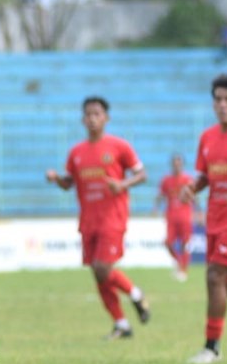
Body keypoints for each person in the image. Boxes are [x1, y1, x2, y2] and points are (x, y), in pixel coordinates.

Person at [45, 96, 150, 340]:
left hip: (113, 217)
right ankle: (121, 324)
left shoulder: (119, 146)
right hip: (88, 220)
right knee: (97, 272)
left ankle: (135, 293)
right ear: (83, 119)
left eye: (97, 114)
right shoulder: (76, 152)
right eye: (88, 115)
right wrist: (56, 178)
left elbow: (142, 174)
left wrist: (122, 184)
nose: (92, 119)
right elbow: (68, 183)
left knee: (103, 268)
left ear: (106, 118)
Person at [181, 73, 227, 364]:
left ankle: (212, 347)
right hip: (215, 219)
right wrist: (193, 186)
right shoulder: (208, 137)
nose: (223, 105)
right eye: (218, 99)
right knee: (219, 283)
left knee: (215, 276)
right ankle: (212, 346)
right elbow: (206, 174)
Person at [155, 154, 196, 282]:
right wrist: (156, 208)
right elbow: (161, 195)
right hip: (171, 216)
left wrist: (199, 212)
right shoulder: (166, 180)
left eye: (179, 163)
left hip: (185, 216)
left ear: (182, 164)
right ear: (172, 164)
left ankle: (183, 270)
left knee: (185, 243)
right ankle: (179, 263)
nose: (177, 165)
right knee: (168, 243)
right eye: (175, 163)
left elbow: (195, 196)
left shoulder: (188, 179)